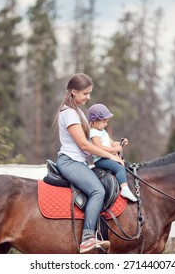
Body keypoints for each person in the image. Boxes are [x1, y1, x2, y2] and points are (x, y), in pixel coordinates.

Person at [55, 73, 124, 254]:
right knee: (97, 190)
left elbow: (95, 141)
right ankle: (87, 238)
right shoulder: (69, 113)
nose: (88, 97)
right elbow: (85, 145)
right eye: (85, 93)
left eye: (89, 93)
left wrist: (114, 147)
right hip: (70, 162)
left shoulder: (77, 111)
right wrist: (111, 157)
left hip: (79, 162)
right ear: (73, 92)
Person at [87, 104, 137, 202]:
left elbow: (112, 143)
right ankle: (125, 189)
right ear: (94, 121)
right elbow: (99, 147)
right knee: (119, 168)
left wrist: (120, 143)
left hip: (108, 157)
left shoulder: (103, 131)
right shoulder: (93, 132)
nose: (106, 124)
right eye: (104, 122)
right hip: (101, 159)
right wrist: (115, 150)